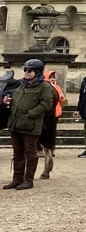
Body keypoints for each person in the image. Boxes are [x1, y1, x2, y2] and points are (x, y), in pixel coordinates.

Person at [2, 58, 57, 189]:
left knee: (30, 152)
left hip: (31, 125)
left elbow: (46, 104)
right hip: (16, 123)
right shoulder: (21, 85)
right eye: (25, 70)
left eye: (29, 70)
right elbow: (17, 98)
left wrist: (31, 114)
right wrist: (9, 100)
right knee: (17, 152)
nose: (26, 72)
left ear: (37, 72)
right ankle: (17, 178)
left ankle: (28, 180)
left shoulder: (44, 87)